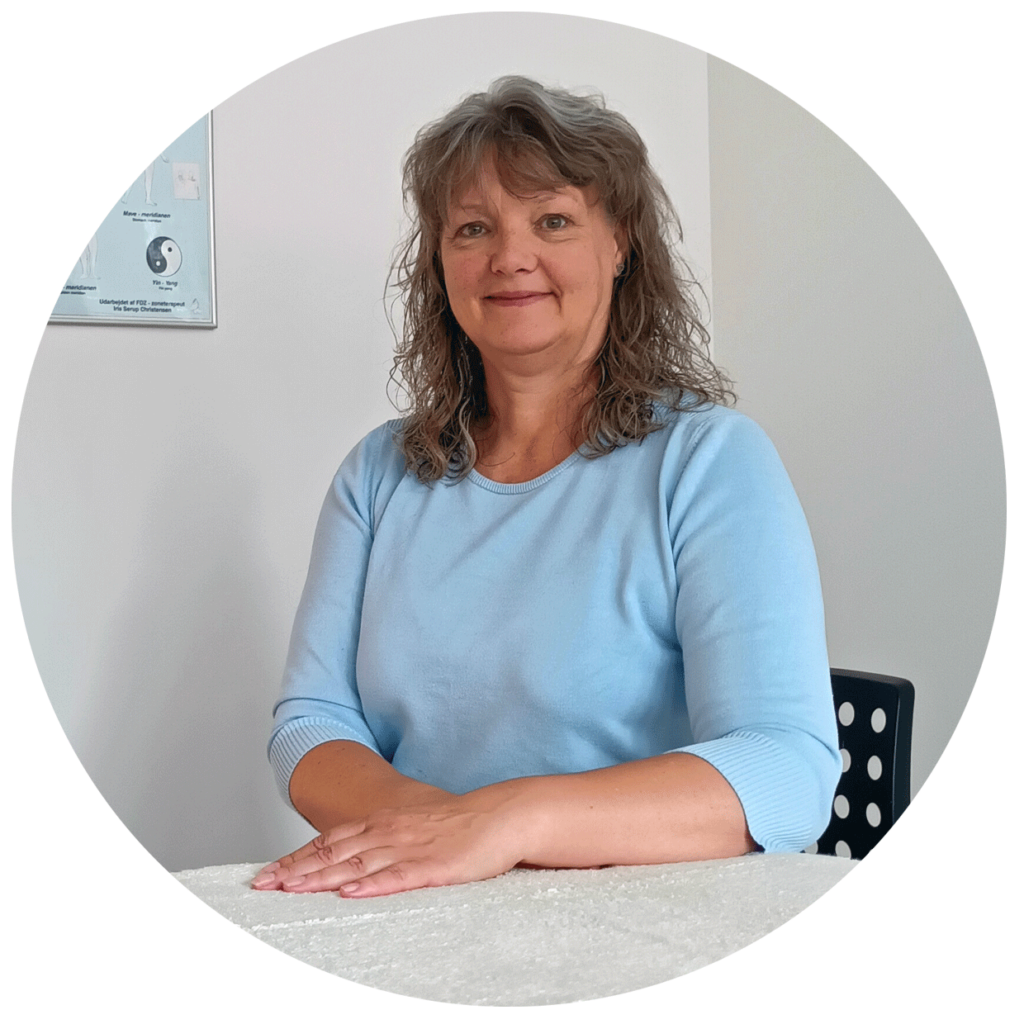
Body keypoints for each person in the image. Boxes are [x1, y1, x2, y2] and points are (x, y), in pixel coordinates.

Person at [252, 76, 841, 899]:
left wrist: (506, 826)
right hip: (422, 903)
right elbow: (312, 722)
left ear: (619, 243)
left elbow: (785, 766)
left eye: (553, 220)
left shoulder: (710, 461)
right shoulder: (376, 474)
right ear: (440, 264)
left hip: (645, 920)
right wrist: (445, 837)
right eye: (473, 228)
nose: (510, 257)